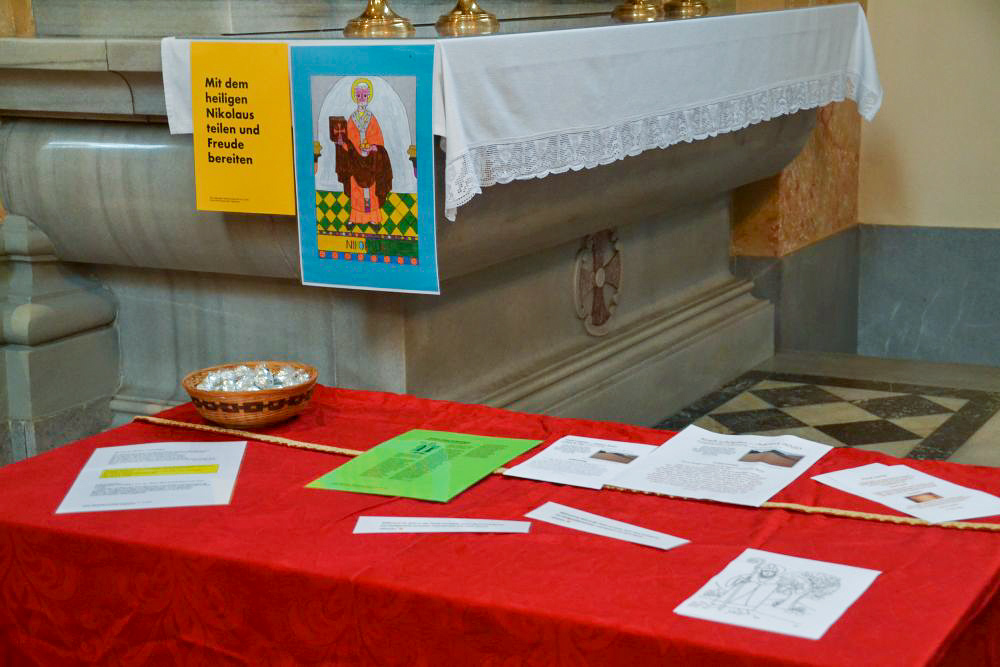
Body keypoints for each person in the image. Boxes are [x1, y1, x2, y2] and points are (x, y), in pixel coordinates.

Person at [333, 78, 393, 228]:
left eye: (364, 95)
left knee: (371, 189)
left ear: (368, 97)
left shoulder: (372, 118)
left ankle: (373, 218)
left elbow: (379, 140)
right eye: (358, 95)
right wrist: (341, 143)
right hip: (355, 161)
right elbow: (348, 141)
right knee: (356, 189)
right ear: (355, 97)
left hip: (370, 161)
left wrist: (372, 148)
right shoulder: (352, 119)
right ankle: (355, 217)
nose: (361, 98)